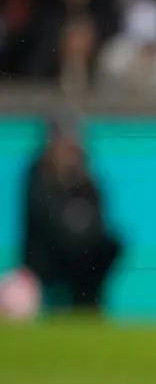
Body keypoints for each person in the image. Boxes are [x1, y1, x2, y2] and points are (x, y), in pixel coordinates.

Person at [21, 112, 124, 312]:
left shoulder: (83, 175)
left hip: (80, 251)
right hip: (49, 256)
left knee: (108, 246)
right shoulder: (38, 174)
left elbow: (97, 218)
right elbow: (45, 218)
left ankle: (89, 302)